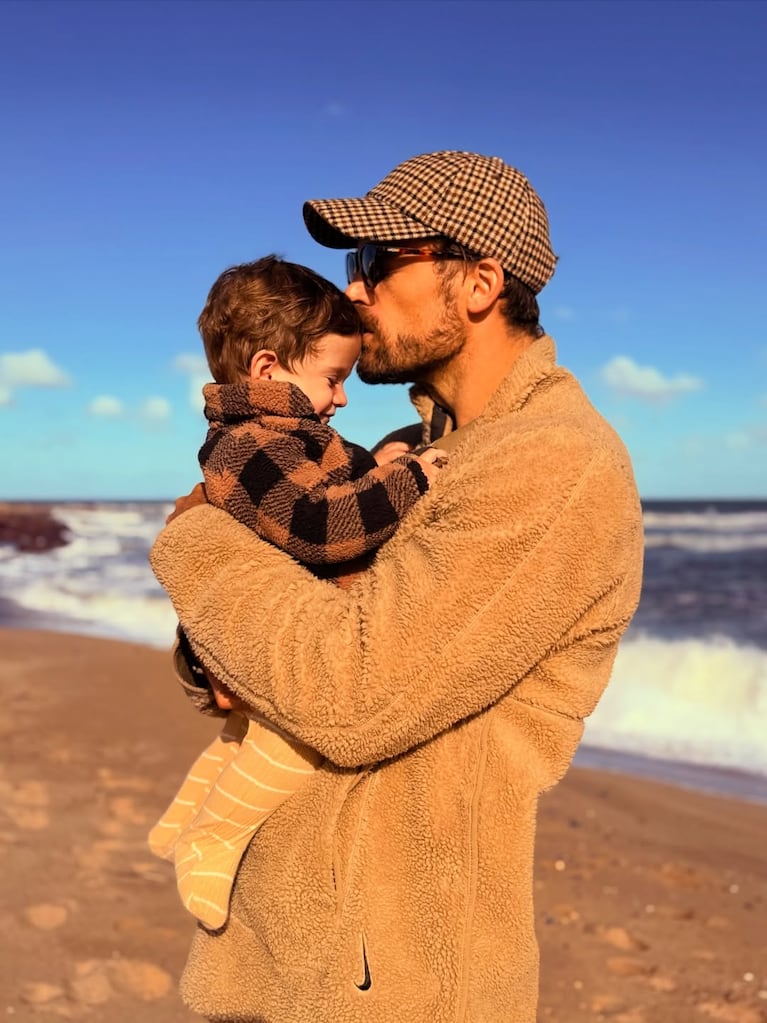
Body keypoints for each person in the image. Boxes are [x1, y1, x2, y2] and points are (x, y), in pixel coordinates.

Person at [150, 150, 644, 1022]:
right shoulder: (408, 450)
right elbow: (269, 632)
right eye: (352, 266)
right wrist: (205, 655)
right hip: (294, 945)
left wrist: (192, 539)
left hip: (398, 975)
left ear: (480, 282)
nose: (356, 293)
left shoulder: (549, 461)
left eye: (378, 262)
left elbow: (348, 694)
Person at [148, 255, 444, 930]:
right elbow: (316, 524)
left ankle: (181, 817)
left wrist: (383, 463)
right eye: (333, 377)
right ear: (266, 370)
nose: (342, 396)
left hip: (282, 629)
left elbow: (337, 475)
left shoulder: (283, 437)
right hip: (290, 639)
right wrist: (411, 482)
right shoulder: (249, 445)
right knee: (292, 743)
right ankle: (212, 834)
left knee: (239, 737)